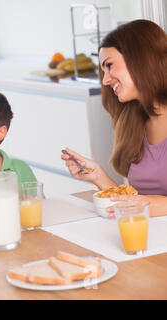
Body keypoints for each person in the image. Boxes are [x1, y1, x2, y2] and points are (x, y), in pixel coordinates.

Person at [61, 19, 167, 217]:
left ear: (141, 59)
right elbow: (134, 201)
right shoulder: (134, 122)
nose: (106, 80)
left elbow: (142, 203)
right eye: (103, 71)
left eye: (109, 66)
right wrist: (98, 176)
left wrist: (147, 205)